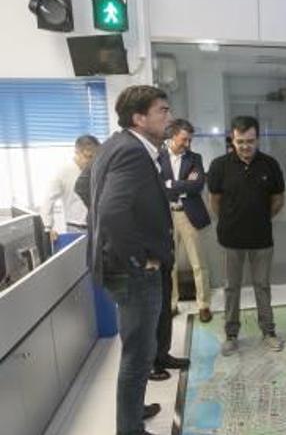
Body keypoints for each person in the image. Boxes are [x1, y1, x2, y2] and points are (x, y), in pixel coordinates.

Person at [82, 85, 174, 435]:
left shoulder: (115, 145)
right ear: (139, 118)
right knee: (139, 354)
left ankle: (131, 414)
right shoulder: (133, 152)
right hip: (131, 271)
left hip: (114, 264)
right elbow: (112, 209)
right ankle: (130, 430)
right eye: (162, 111)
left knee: (136, 348)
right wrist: (139, 257)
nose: (168, 116)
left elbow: (85, 187)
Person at [208, 116, 285, 356]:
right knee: (231, 287)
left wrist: (261, 219)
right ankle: (231, 335)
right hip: (230, 239)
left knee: (262, 286)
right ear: (232, 139)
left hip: (262, 239)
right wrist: (231, 221)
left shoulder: (270, 165)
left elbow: (278, 199)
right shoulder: (219, 166)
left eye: (250, 141)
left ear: (258, 139)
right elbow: (215, 201)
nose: (245, 146)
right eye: (240, 141)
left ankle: (268, 331)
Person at [158, 119, 213, 323]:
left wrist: (171, 183)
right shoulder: (158, 157)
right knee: (169, 264)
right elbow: (158, 186)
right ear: (173, 136)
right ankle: (172, 304)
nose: (188, 144)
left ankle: (204, 305)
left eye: (190, 140)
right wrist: (181, 184)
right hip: (166, 216)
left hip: (188, 215)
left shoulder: (195, 158)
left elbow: (197, 185)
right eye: (184, 139)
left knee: (199, 263)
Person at [40, 135, 100, 240]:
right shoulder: (64, 171)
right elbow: (48, 200)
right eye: (88, 157)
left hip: (98, 227)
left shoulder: (97, 169)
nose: (92, 162)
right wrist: (47, 228)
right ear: (77, 152)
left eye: (95, 157)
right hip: (76, 228)